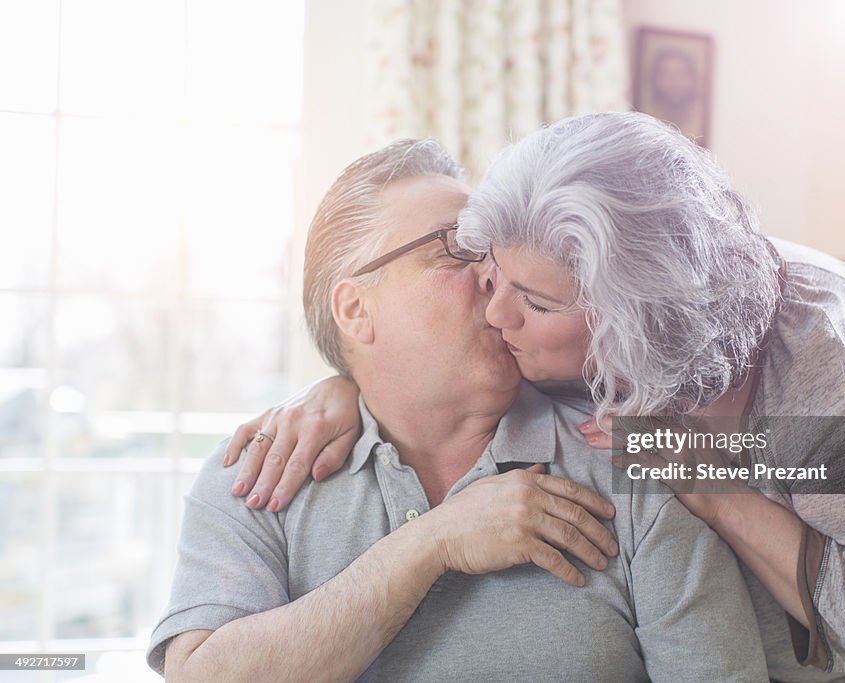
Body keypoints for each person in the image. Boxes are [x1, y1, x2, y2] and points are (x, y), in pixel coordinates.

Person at [228, 113, 845, 682]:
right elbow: (420, 363)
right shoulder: (565, 330)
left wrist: (714, 485)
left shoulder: (838, 371)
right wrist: (344, 388)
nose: (495, 312)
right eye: (491, 275)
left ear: (625, 331)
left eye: (531, 305)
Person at [147, 138, 769, 681]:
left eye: (490, 252)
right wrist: (434, 542)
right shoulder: (257, 477)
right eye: (456, 249)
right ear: (356, 309)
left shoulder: (635, 457)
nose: (495, 278)